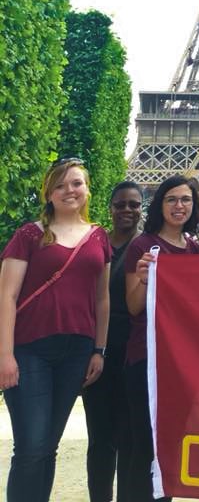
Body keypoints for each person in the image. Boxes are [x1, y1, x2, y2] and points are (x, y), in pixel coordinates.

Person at [0, 157, 111, 502]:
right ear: (48, 193)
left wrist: (99, 350)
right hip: (30, 348)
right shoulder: (30, 234)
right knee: (32, 445)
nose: (69, 190)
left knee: (48, 446)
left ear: (87, 188)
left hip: (77, 350)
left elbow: (102, 299)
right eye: (60, 185)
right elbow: (7, 294)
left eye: (76, 183)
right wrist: (5, 355)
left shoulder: (98, 237)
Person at [125, 175, 199, 502]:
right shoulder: (142, 246)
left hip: (180, 361)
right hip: (146, 356)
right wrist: (144, 279)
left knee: (169, 445)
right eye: (171, 199)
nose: (179, 206)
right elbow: (132, 306)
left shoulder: (196, 249)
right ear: (160, 204)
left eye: (185, 199)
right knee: (143, 444)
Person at [82, 180, 143, 502]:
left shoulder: (150, 248)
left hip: (133, 354)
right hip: (99, 353)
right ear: (110, 208)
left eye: (134, 204)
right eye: (120, 204)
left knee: (131, 439)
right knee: (101, 439)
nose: (127, 210)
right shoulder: (94, 245)